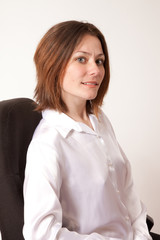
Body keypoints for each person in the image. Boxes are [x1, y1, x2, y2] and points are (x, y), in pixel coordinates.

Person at [23, 20, 153, 240]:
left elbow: (129, 197)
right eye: (81, 59)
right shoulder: (49, 143)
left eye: (99, 61)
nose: (95, 70)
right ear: (53, 64)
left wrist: (141, 236)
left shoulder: (101, 121)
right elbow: (40, 233)